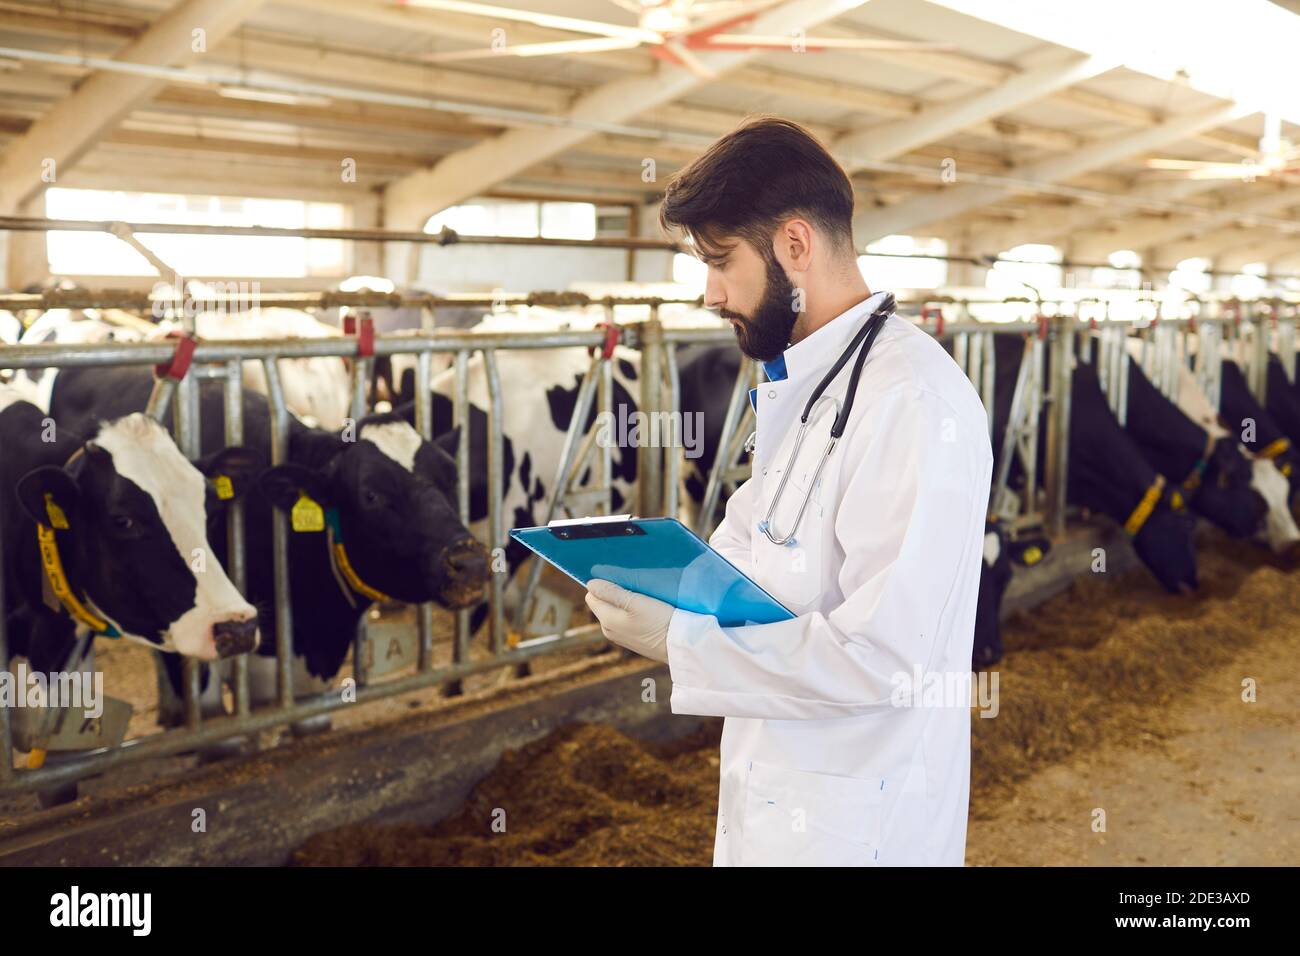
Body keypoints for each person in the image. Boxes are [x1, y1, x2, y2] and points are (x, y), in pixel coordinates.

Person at [584, 116, 992, 866]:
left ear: (795, 246)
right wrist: (659, 577)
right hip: (782, 801)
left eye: (719, 261)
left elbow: (882, 658)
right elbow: (755, 564)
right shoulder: (808, 386)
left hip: (863, 827)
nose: (711, 294)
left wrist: (679, 641)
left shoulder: (911, 401)